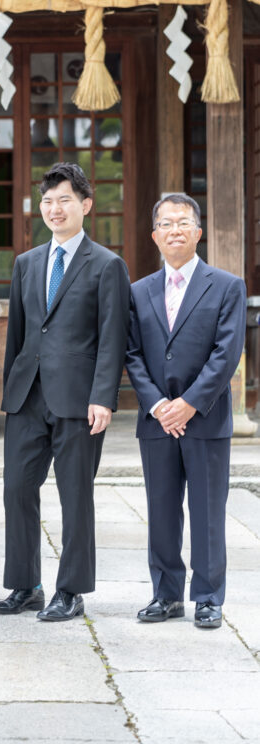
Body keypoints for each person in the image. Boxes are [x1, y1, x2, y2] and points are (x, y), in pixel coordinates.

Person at [0, 162, 130, 620]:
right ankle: (24, 584)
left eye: (64, 200)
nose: (54, 209)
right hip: (28, 397)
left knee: (76, 495)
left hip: (79, 400)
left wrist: (104, 397)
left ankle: (70, 590)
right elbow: (20, 334)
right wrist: (10, 390)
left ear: (85, 205)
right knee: (16, 490)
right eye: (47, 201)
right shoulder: (27, 263)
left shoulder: (107, 265)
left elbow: (112, 337)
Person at [125, 193, 246, 630]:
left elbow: (226, 353)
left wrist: (190, 403)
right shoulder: (138, 292)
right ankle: (166, 594)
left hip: (206, 418)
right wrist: (159, 405)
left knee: (208, 511)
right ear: (155, 235)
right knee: (160, 509)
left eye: (183, 222)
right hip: (157, 420)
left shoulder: (227, 286)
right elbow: (131, 353)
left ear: (198, 232)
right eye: (166, 224)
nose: (175, 230)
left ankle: (209, 597)